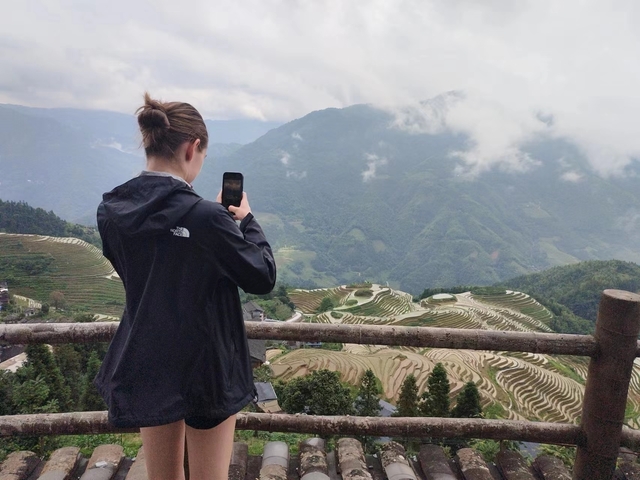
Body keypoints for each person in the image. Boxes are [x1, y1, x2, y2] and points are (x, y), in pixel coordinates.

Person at [95, 93, 276, 480]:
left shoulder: (111, 210)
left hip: (148, 356)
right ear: (193, 147)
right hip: (207, 366)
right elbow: (262, 276)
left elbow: (141, 275)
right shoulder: (209, 218)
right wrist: (245, 222)